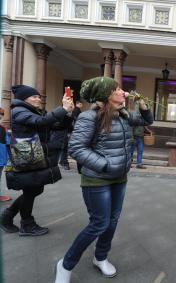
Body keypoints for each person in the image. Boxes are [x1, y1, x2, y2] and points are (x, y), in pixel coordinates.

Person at [54, 77, 153, 283]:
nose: (122, 92)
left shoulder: (123, 115)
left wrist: (143, 105)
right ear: (106, 95)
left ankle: (101, 257)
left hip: (119, 178)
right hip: (97, 180)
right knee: (99, 223)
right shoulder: (89, 117)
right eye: (117, 89)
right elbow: (76, 148)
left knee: (112, 221)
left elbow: (146, 121)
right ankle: (65, 265)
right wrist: (105, 165)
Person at [0, 85, 74, 235]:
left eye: (39, 96)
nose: (38, 99)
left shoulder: (32, 111)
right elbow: (41, 122)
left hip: (35, 156)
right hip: (27, 157)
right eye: (34, 96)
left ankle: (7, 216)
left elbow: (56, 126)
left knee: (34, 188)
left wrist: (67, 113)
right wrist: (63, 109)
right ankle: (26, 224)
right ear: (24, 99)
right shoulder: (19, 111)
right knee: (31, 189)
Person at [59, 100, 82, 170]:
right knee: (65, 147)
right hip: (65, 132)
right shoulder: (62, 112)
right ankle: (63, 162)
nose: (71, 106)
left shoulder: (72, 112)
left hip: (69, 131)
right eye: (70, 104)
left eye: (72, 104)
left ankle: (64, 161)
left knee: (67, 147)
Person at [0, 108, 12, 202]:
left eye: (2, 114)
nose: (1, 115)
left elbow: (10, 142)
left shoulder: (4, 128)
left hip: (2, 157)